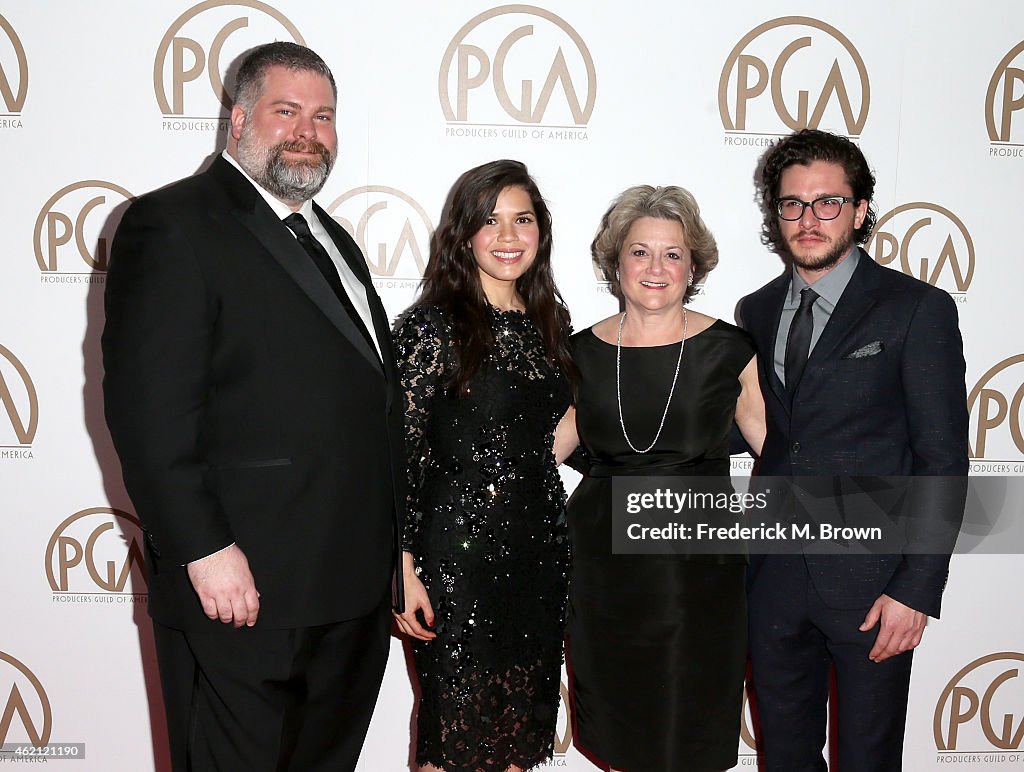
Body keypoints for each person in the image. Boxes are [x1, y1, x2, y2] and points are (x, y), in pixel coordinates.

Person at [101, 42, 404, 771]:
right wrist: (204, 549)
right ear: (238, 119)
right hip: (243, 591)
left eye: (323, 116)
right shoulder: (170, 223)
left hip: (347, 593)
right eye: (286, 111)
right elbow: (148, 410)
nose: (308, 131)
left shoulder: (335, 240)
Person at [738, 128, 969, 771]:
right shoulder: (754, 311)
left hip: (873, 587)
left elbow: (943, 459)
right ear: (775, 213)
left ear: (860, 209)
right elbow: (760, 430)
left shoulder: (915, 309)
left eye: (827, 202)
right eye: (792, 204)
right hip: (774, 579)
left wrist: (918, 587)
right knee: (784, 757)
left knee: (868, 760)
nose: (809, 219)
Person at [566, 185, 766, 772]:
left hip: (698, 578)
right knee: (622, 733)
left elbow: (780, 456)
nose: (656, 268)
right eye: (640, 252)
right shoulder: (578, 353)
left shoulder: (729, 349)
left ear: (693, 264)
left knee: (687, 726)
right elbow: (536, 455)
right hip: (604, 573)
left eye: (673, 254)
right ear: (615, 261)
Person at [391, 160, 575, 772]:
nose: (508, 235)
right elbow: (402, 457)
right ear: (463, 233)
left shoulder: (552, 324)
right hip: (456, 561)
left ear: (541, 231)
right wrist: (403, 566)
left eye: (522, 219)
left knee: (518, 743)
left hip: (538, 556)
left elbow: (545, 441)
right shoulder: (431, 327)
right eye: (489, 220)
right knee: (453, 744)